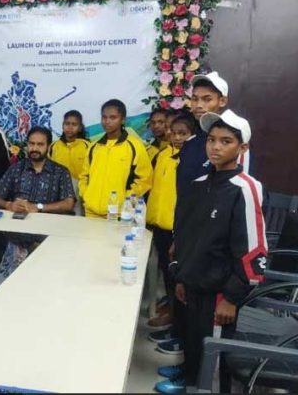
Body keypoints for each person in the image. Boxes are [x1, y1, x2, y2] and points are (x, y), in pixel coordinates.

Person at [155, 110, 267, 393]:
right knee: (193, 339)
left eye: (226, 141)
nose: (215, 147)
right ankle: (189, 377)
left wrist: (231, 297)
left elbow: (253, 247)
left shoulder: (245, 188)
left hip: (219, 290)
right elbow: (187, 235)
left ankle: (203, 386)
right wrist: (181, 276)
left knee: (212, 354)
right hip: (193, 281)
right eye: (212, 140)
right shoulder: (200, 185)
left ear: (242, 148)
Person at [145, 113, 197, 332]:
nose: (176, 137)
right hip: (159, 224)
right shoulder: (163, 154)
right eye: (173, 133)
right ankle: (172, 316)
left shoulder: (193, 160)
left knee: (178, 277)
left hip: (177, 228)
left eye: (182, 133)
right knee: (166, 274)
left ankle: (178, 324)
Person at [79, 99, 153, 217]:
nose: (107, 121)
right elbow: (84, 176)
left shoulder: (135, 146)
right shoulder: (94, 146)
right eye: (104, 117)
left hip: (119, 213)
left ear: (123, 120)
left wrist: (126, 198)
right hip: (91, 212)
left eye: (113, 117)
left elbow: (145, 179)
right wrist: (86, 194)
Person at [0, 126, 75, 214]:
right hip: (18, 219)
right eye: (31, 143)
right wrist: (9, 205)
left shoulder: (60, 172)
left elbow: (69, 204)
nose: (34, 148)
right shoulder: (16, 168)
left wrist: (38, 207)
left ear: (48, 146)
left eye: (40, 144)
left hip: (47, 221)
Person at [48, 110, 90, 215]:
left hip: (79, 190)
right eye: (67, 124)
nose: (70, 127)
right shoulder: (54, 147)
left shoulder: (87, 146)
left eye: (74, 124)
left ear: (80, 127)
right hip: (58, 190)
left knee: (78, 218)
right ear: (63, 126)